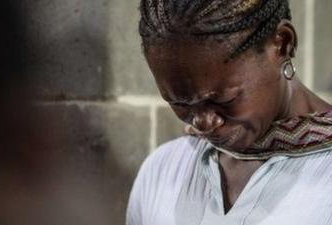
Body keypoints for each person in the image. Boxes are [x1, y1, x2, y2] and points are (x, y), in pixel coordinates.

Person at [126, 0, 332, 224]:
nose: (203, 123)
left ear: (282, 44)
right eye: (180, 103)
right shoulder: (162, 170)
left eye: (223, 98)